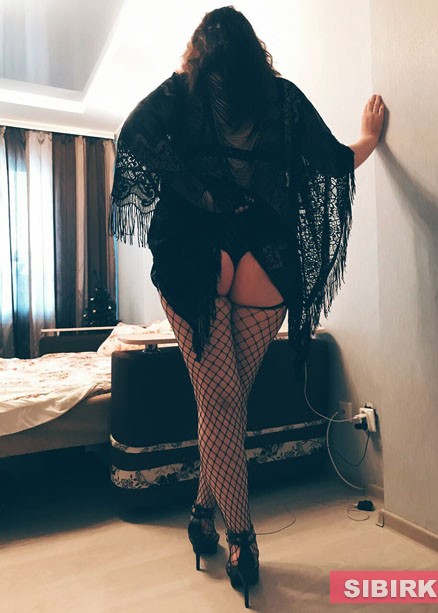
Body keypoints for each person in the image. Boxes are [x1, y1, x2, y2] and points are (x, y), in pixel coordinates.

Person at [109, 5, 385, 608]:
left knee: (220, 398)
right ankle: (222, 524)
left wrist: (198, 190)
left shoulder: (182, 92)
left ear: (198, 53)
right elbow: (335, 160)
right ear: (255, 53)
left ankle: (228, 528)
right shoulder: (279, 99)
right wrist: (369, 137)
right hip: (264, 251)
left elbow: (131, 136)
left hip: (195, 247)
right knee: (226, 397)